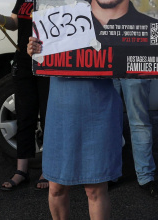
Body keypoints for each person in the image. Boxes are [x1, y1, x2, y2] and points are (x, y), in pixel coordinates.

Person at [84, 0, 158, 199]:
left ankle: (145, 177)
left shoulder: (155, 28)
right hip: (101, 73)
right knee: (104, 121)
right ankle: (108, 173)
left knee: (138, 121)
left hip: (133, 69)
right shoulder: (71, 22)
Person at [29, 35, 121, 220]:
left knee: (95, 188)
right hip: (61, 108)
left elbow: (136, 47)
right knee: (56, 187)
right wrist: (35, 49)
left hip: (98, 106)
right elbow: (42, 52)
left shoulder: (112, 18)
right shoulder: (53, 16)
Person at [0, 0, 50, 191]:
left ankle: (48, 170)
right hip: (24, 62)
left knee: (49, 117)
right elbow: (14, 23)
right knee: (24, 115)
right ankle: (21, 171)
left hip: (48, 63)